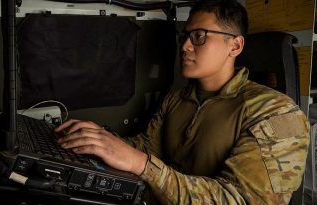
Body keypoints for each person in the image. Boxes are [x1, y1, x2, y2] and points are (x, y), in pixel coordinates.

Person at [54, 0, 310, 204]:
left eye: (199, 36)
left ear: (235, 46)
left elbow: (239, 200)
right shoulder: (177, 98)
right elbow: (147, 148)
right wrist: (98, 140)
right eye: (185, 36)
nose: (185, 46)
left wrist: (141, 165)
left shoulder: (277, 113)